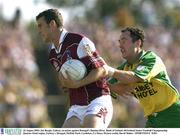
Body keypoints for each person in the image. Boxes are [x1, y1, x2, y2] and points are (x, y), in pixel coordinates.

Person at [36, 9, 113, 128]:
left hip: (97, 100)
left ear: (52, 24)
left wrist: (78, 83)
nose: (39, 30)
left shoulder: (78, 41)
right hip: (76, 107)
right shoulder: (52, 54)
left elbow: (102, 70)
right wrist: (66, 84)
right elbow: (70, 83)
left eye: (40, 26)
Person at [105, 27, 180, 127]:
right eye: (119, 41)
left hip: (173, 113)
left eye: (124, 41)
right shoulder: (124, 68)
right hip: (152, 119)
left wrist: (108, 70)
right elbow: (105, 86)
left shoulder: (150, 58)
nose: (120, 45)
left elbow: (134, 77)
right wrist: (112, 87)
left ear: (138, 43)